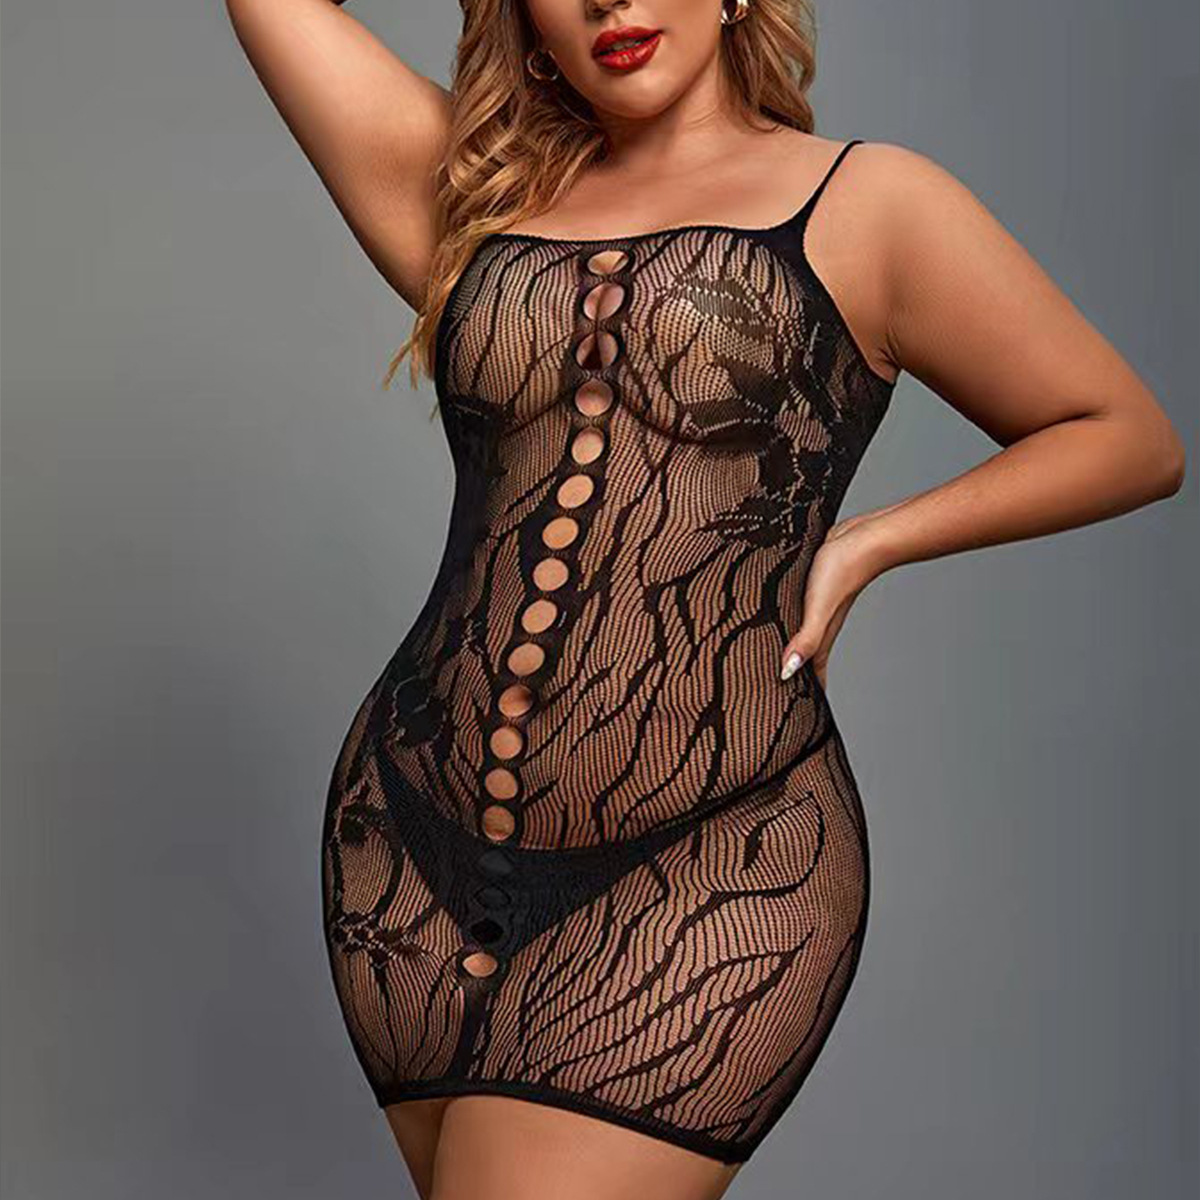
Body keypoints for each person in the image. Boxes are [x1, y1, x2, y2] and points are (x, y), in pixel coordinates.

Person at [226, 1, 1186, 1197]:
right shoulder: (485, 197)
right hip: (404, 851)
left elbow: (1126, 436)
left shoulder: (870, 204)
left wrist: (869, 543)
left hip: (707, 858)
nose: (609, 3)